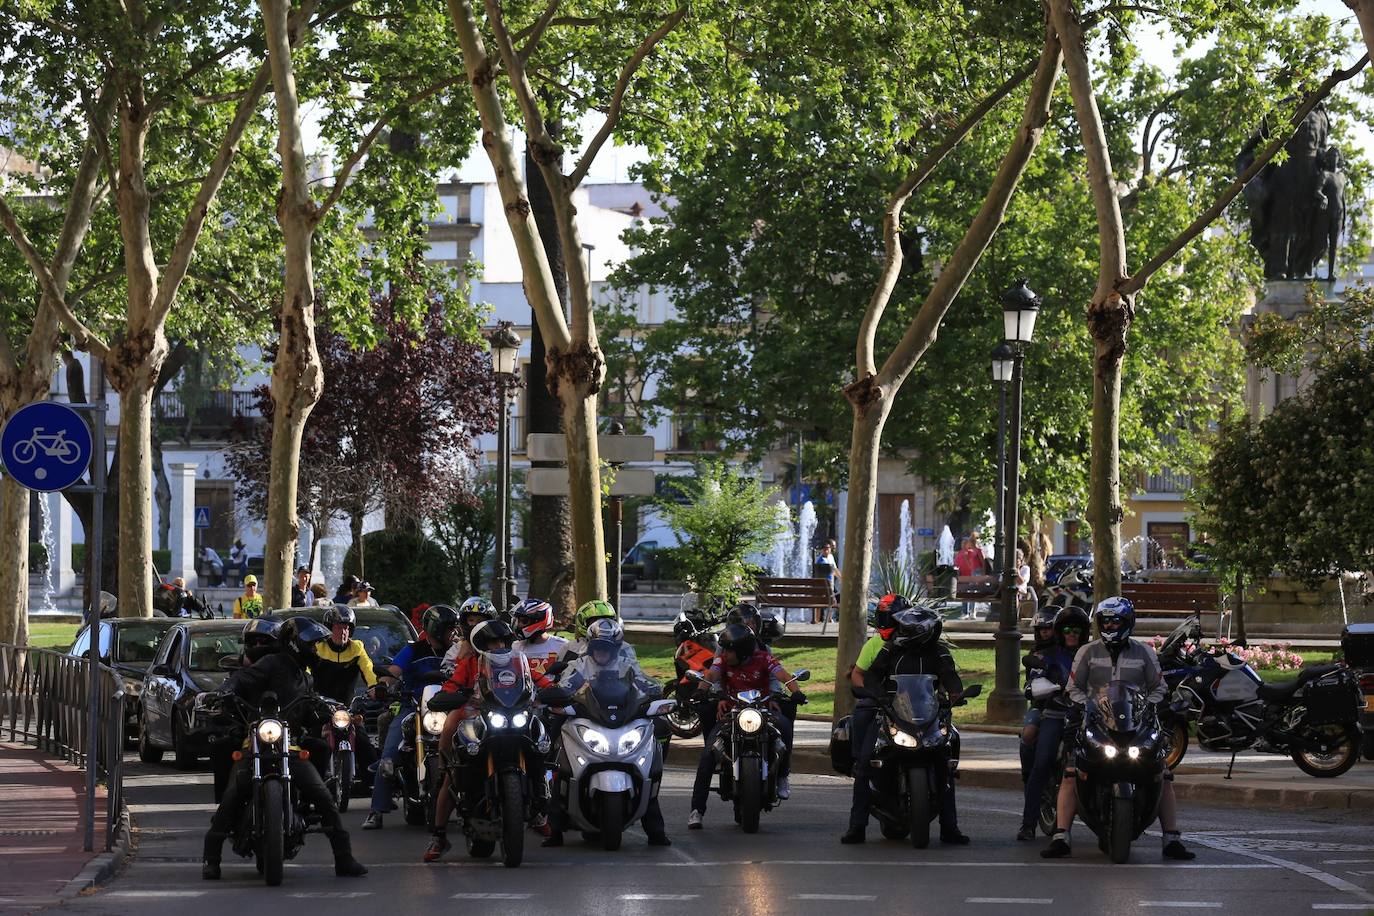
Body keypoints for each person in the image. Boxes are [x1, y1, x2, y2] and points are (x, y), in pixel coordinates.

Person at [200, 616, 367, 879]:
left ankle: (344, 858)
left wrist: (326, 710)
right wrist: (224, 691)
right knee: (232, 795)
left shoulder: (305, 678)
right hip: (255, 743)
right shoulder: (271, 663)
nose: (316, 650)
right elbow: (242, 679)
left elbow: (310, 708)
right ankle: (212, 858)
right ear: (295, 643)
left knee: (323, 796)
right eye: (312, 645)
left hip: (290, 747)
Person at [1041, 596, 1195, 861]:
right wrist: (1086, 705)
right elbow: (1073, 688)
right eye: (1106, 622)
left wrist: (1150, 705)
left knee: (1162, 773)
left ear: (1128, 622)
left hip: (1135, 723)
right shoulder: (1087, 652)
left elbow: (1159, 688)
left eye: (1116, 621)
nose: (1110, 626)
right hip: (1096, 722)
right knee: (1071, 771)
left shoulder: (1144, 652)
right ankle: (1061, 836)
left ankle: (1171, 838)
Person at [538, 618, 671, 849]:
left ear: (616, 648)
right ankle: (555, 829)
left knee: (650, 766)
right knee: (558, 756)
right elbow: (567, 686)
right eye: (598, 647)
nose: (602, 652)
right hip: (586, 716)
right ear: (590, 646)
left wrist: (654, 691)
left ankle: (656, 831)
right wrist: (557, 695)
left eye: (607, 648)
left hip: (620, 719)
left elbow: (643, 684)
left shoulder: (626, 666)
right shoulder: (580, 665)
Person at [841, 604, 968, 845]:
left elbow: (950, 676)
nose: (901, 633)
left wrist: (956, 694)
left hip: (928, 716)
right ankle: (856, 826)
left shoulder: (939, 653)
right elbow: (871, 676)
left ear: (922, 633)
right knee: (866, 763)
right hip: (891, 713)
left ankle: (950, 828)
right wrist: (879, 696)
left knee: (945, 763)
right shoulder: (890, 649)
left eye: (907, 630)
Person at [688, 622, 807, 829]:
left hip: (763, 711)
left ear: (742, 651)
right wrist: (701, 691)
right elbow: (711, 675)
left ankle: (782, 775)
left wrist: (795, 692)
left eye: (729, 650)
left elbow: (784, 676)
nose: (724, 653)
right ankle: (697, 810)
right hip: (731, 713)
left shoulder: (764, 658)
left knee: (785, 726)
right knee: (708, 753)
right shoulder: (722, 660)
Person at [362, 604, 456, 830]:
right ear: (436, 629)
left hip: (448, 709)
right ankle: (377, 811)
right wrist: (381, 686)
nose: (453, 633)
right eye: (449, 629)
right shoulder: (413, 650)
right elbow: (393, 672)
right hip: (413, 708)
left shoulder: (456, 651)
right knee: (389, 756)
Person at [1017, 605, 1086, 841]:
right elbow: (1033, 681)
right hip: (1056, 713)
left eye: (1076, 629)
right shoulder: (1048, 655)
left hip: (1090, 716)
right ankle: (1028, 824)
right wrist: (1042, 685)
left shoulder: (1093, 654)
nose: (1071, 634)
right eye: (1067, 629)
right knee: (1043, 761)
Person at [209, 617, 281, 803]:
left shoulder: (290, 669)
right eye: (253, 642)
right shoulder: (243, 672)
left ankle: (324, 812)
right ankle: (223, 808)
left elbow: (307, 691)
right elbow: (232, 685)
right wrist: (219, 698)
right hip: (249, 732)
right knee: (221, 747)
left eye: (263, 642)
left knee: (317, 748)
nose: (258, 646)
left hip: (288, 737)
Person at [559, 599, 638, 666]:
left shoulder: (624, 648)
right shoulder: (571, 648)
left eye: (607, 621)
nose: (602, 625)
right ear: (583, 623)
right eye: (596, 621)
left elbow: (634, 673)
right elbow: (561, 675)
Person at [511, 597, 567, 677]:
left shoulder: (562, 646)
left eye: (524, 621)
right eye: (518, 621)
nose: (519, 625)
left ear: (539, 620)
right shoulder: (515, 646)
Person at [814, 540, 841, 623]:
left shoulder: (830, 557)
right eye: (825, 549)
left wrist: (841, 578)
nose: (826, 550)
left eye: (828, 548)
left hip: (830, 585)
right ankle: (818, 619)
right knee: (828, 601)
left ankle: (829, 618)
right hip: (823, 585)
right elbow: (830, 571)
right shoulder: (820, 560)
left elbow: (835, 569)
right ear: (822, 550)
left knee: (834, 600)